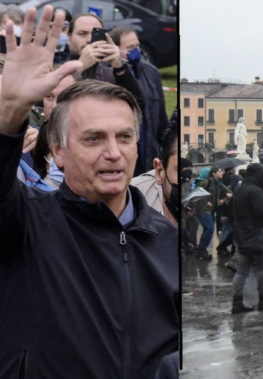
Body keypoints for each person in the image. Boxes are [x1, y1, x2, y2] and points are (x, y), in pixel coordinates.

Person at [0, 7, 177, 377]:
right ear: (59, 150)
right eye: (93, 138)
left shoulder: (167, 242)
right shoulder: (28, 222)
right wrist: (9, 112)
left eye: (124, 137)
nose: (113, 152)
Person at [111, 26, 168, 176]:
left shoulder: (151, 72)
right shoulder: (106, 74)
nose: (136, 50)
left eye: (137, 45)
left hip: (149, 154)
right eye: (130, 47)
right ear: (116, 49)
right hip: (121, 153)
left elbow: (162, 118)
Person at [231, 163, 263, 313]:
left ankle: (237, 302)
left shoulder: (240, 188)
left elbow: (241, 211)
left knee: (242, 270)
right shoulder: (257, 190)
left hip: (241, 232)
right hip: (257, 233)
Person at [67, 13, 145, 111]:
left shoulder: (109, 75)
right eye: (82, 33)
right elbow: (45, 109)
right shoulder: (55, 72)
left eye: (95, 34)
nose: (89, 40)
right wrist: (79, 68)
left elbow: (138, 106)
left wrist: (120, 67)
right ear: (69, 39)